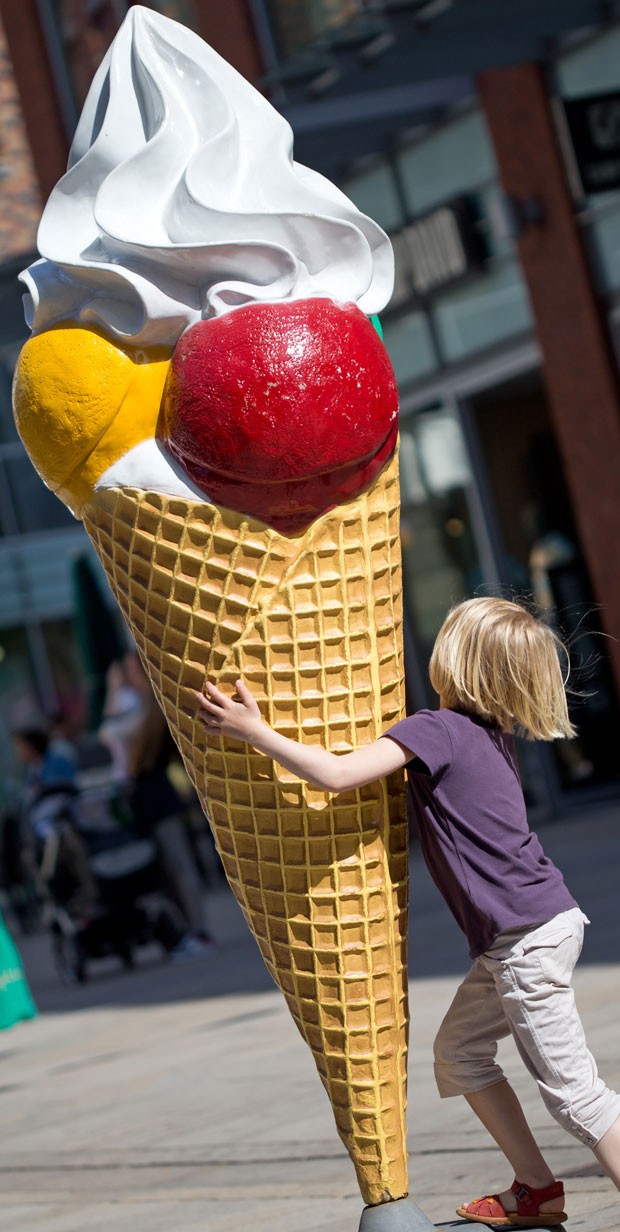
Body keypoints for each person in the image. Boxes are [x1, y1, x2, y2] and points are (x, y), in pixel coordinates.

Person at [195, 595, 620, 1229]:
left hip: (526, 941)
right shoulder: (484, 735)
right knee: (459, 1053)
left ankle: (544, 1187)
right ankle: (537, 1190)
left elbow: (339, 776)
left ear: (456, 660)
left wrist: (255, 732)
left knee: (578, 1097)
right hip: (533, 932)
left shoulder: (437, 729)